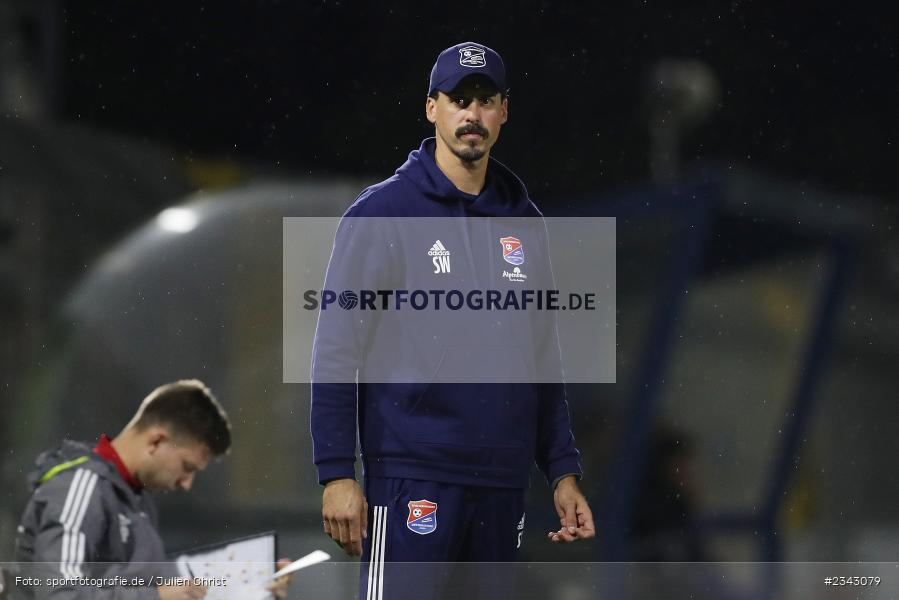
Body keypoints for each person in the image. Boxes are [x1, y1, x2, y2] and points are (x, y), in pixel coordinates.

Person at [311, 42, 595, 598]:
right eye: (459, 100)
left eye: (486, 100)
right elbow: (337, 350)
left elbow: (542, 359)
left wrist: (562, 472)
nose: (472, 114)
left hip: (502, 481)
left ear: (504, 112)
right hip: (412, 475)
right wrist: (337, 473)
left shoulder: (526, 223)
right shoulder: (382, 213)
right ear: (431, 108)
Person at [14, 380, 293, 600]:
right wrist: (155, 597)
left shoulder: (138, 500)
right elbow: (60, 593)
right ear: (157, 441)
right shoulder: (81, 486)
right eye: (187, 467)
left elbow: (153, 584)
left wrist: (255, 585)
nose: (187, 483)